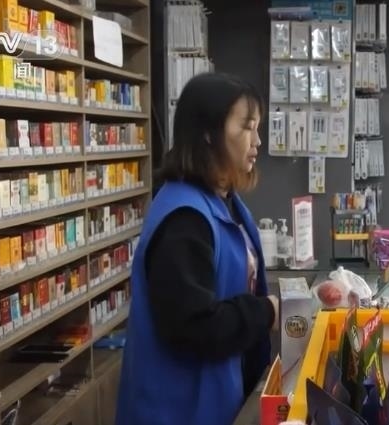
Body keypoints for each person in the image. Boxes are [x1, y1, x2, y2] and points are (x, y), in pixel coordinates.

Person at [115, 72, 278, 425]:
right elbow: (194, 325)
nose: (257, 141)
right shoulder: (184, 219)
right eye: (247, 127)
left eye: (258, 128)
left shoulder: (224, 202)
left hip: (215, 401)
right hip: (176, 412)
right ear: (208, 132)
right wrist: (267, 311)